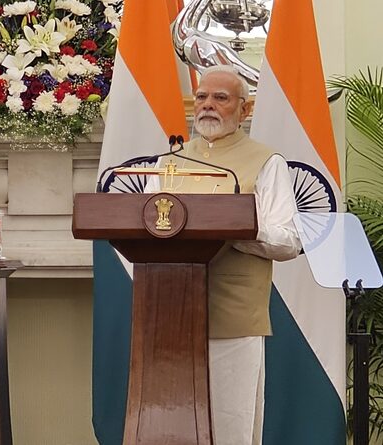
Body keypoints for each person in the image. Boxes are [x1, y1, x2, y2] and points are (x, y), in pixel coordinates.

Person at [146, 65, 301, 445]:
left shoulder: (266, 162)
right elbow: (145, 225)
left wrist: (237, 228)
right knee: (170, 426)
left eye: (220, 98)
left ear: (244, 110)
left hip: (233, 315)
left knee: (229, 427)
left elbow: (288, 241)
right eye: (201, 97)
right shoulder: (169, 161)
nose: (208, 105)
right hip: (170, 312)